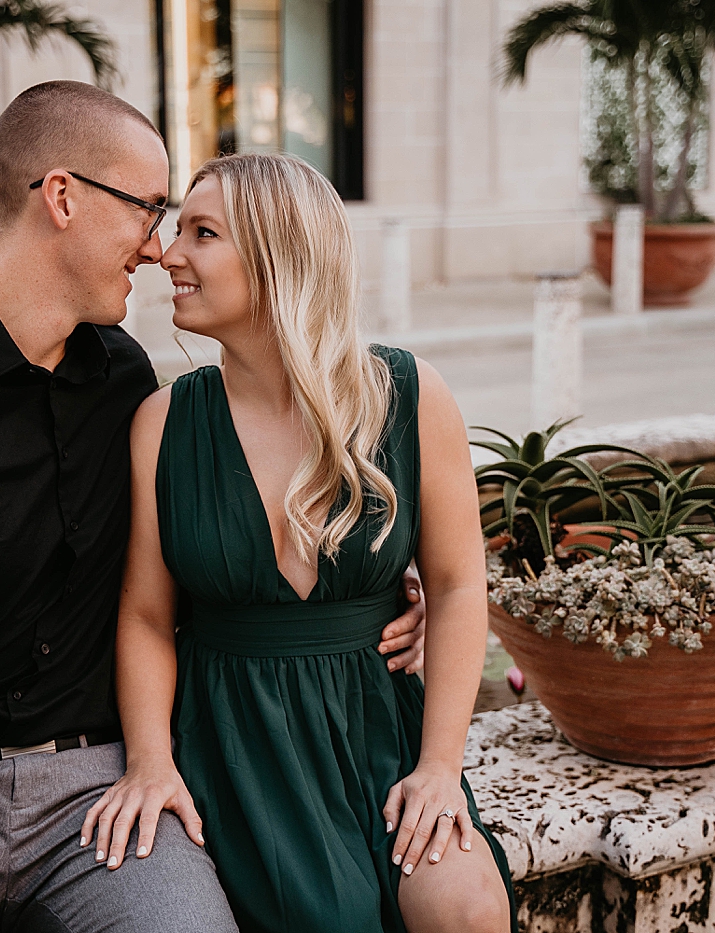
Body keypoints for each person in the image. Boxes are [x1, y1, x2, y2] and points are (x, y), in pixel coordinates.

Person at [0, 81, 427, 933]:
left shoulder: (125, 383)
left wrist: (388, 593)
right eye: (149, 210)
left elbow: (204, 566)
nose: (156, 249)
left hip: (96, 793)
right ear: (62, 197)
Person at [80, 153, 518, 933]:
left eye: (201, 233)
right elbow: (145, 615)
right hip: (236, 738)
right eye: (177, 230)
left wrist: (440, 768)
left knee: (466, 906)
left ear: (281, 253)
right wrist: (150, 762)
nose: (167, 255)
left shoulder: (410, 395)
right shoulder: (164, 422)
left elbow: (455, 586)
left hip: (379, 723)